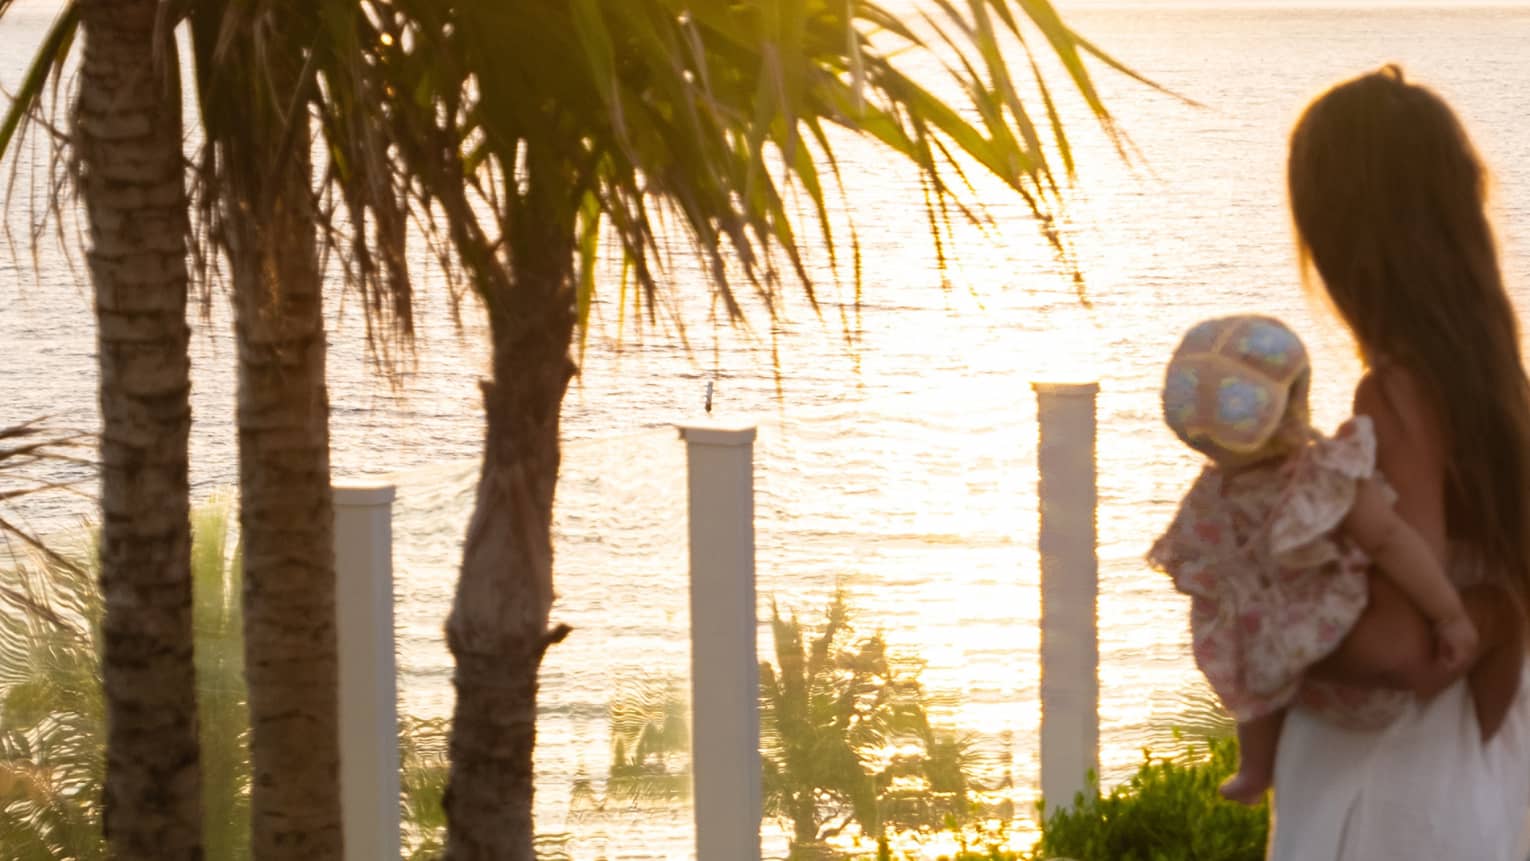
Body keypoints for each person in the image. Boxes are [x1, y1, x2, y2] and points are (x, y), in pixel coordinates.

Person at [1268, 64, 1530, 859]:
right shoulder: (1502, 394)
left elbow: (1400, 648)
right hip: (1481, 771)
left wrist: (1265, 635)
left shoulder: (1397, 396)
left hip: (1393, 788)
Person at [1150, 313, 1479, 805]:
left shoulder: (1213, 494)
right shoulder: (1322, 473)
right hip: (1345, 658)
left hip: (1281, 671)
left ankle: (1255, 766)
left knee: (1253, 678)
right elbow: (1389, 540)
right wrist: (1449, 614)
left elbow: (1205, 572)